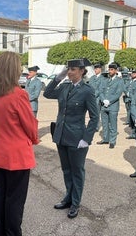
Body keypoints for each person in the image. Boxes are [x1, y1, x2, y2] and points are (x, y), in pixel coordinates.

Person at [0, 51, 39, 236]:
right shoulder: (18, 94)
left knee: (0, 194)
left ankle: (0, 231)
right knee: (15, 200)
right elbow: (30, 124)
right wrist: (35, 138)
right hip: (16, 155)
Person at [44, 58, 99, 219]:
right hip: (61, 135)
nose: (69, 72)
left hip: (77, 139)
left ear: (82, 71)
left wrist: (86, 138)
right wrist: (58, 77)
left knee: (77, 172)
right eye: (68, 69)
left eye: (73, 69)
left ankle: (75, 203)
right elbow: (47, 93)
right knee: (66, 170)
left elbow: (95, 117)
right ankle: (68, 197)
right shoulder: (65, 86)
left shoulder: (87, 90)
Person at [96, 62, 124, 149]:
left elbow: (118, 93)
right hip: (104, 105)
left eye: (112, 70)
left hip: (113, 106)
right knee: (104, 123)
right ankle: (105, 139)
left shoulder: (119, 81)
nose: (110, 71)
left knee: (112, 124)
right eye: (109, 69)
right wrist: (103, 99)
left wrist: (109, 101)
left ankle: (112, 141)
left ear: (116, 71)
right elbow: (101, 91)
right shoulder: (105, 80)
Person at [89, 64, 105, 132]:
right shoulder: (92, 78)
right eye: (94, 69)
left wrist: (94, 95)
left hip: (97, 98)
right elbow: (89, 86)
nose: (95, 70)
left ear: (100, 69)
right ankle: (92, 125)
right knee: (91, 113)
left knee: (96, 113)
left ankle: (96, 126)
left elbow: (100, 89)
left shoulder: (103, 78)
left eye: (96, 69)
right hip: (90, 98)